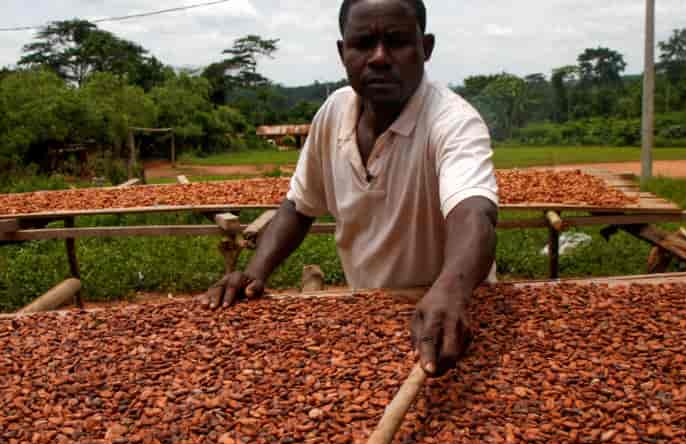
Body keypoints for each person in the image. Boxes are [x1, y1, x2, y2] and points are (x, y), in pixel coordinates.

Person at [202, 0, 498, 378]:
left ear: (426, 48)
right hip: (367, 313)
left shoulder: (453, 122)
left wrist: (452, 290)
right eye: (363, 43)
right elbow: (299, 205)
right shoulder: (333, 112)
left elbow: (475, 212)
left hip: (451, 315)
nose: (379, 58)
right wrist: (254, 272)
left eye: (396, 42)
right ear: (343, 52)